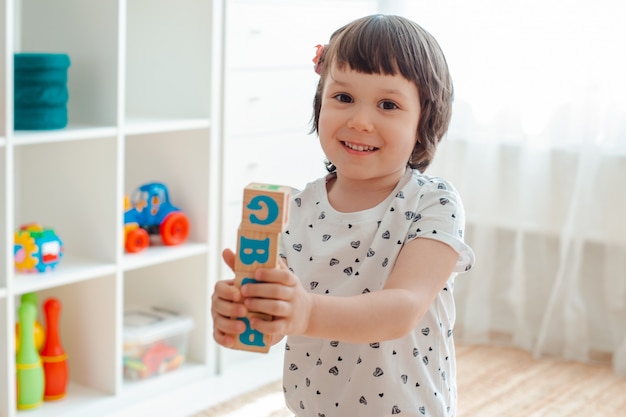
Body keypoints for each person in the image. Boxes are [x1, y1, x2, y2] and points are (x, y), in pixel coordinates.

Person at [211, 14, 475, 417]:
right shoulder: (292, 210)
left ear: (424, 122)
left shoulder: (433, 203)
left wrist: (308, 312)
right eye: (343, 98)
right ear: (320, 103)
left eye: (388, 104)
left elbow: (403, 306)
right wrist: (243, 309)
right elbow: (271, 313)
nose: (359, 121)